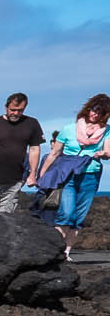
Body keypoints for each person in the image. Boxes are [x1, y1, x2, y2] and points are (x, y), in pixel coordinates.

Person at [45, 94, 110, 257]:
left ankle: (66, 252)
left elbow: (108, 151)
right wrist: (41, 174)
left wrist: (104, 153)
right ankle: (55, 251)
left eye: (100, 112)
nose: (95, 114)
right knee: (66, 213)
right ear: (87, 109)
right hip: (69, 175)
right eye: (93, 110)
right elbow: (55, 153)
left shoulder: (107, 131)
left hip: (91, 175)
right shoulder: (69, 128)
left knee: (78, 216)